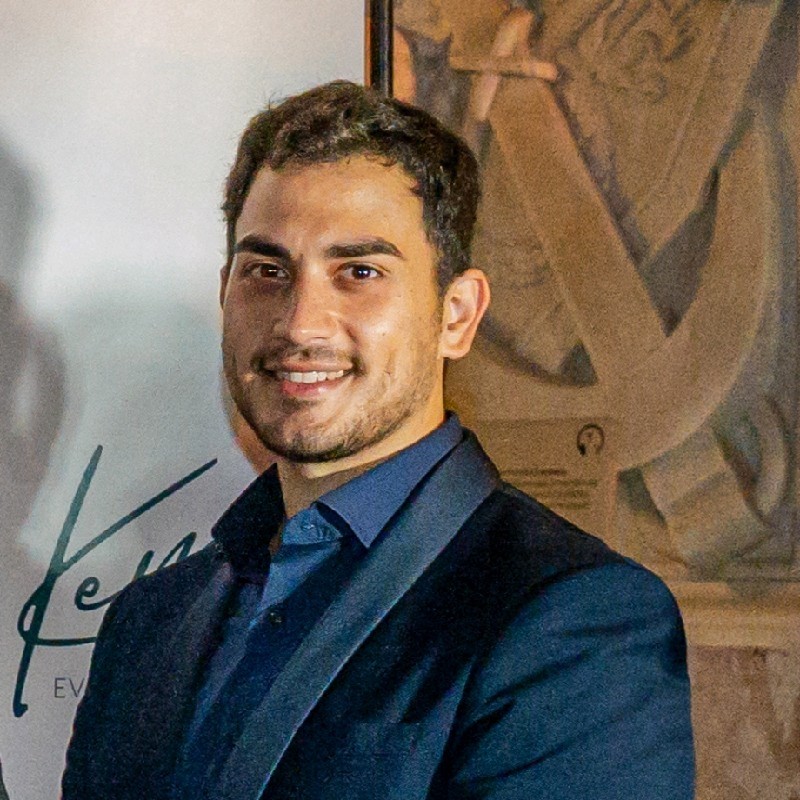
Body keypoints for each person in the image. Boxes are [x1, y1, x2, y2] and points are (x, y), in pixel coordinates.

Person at [61, 80, 694, 800]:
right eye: (267, 271)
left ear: (456, 315)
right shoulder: (147, 623)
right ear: (225, 292)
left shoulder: (576, 622)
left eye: (359, 272)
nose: (300, 323)